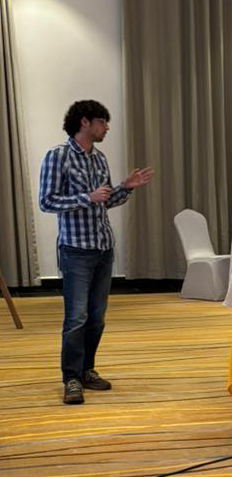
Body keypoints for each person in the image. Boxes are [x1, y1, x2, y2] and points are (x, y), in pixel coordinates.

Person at [39, 100, 154, 404]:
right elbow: (46, 202)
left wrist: (125, 187)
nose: (107, 128)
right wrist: (85, 197)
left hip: (103, 248)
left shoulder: (99, 159)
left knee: (97, 318)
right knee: (76, 317)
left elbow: (105, 200)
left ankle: (87, 370)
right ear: (85, 122)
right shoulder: (58, 157)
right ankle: (71, 378)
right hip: (75, 250)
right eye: (103, 122)